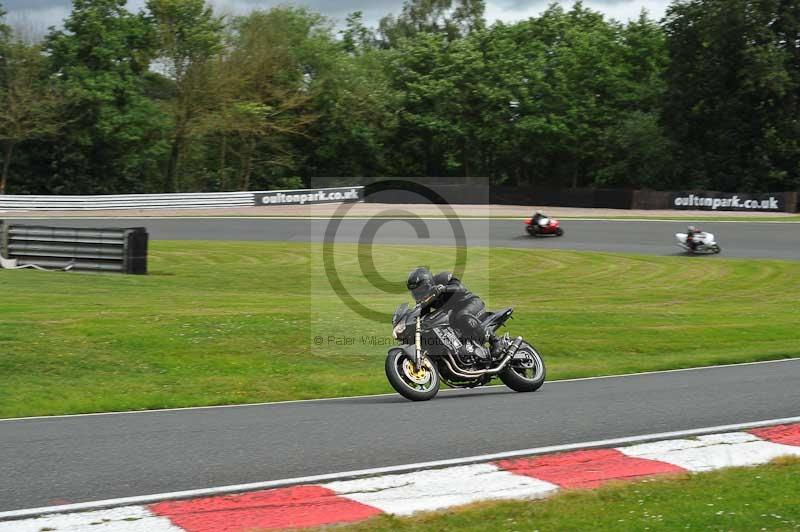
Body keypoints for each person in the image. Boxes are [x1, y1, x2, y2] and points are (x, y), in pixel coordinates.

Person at [406, 267, 489, 356]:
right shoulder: (424, 300)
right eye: (415, 292)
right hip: (453, 315)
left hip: (470, 303)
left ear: (428, 283)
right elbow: (422, 316)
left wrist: (443, 288)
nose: (419, 293)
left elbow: (460, 288)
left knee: (462, 316)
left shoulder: (443, 277)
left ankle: (495, 341)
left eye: (420, 289)